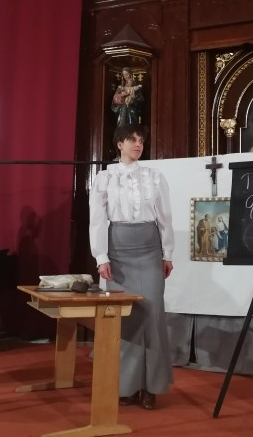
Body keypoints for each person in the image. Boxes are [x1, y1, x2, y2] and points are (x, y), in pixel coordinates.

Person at [89, 123, 174, 410]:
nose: (138, 144)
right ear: (119, 144)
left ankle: (151, 387)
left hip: (150, 251)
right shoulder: (105, 178)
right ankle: (126, 386)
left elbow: (165, 218)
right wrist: (101, 257)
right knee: (125, 318)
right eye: (132, 140)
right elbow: (97, 220)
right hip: (118, 252)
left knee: (153, 314)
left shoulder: (155, 177)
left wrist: (167, 253)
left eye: (141, 140)